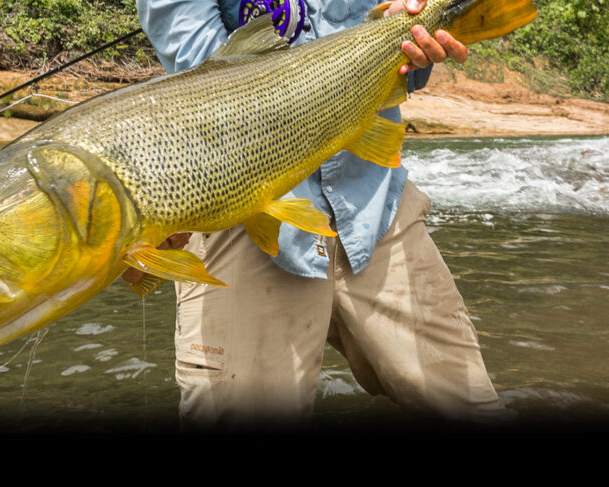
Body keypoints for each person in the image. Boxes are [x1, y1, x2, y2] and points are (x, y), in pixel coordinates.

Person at [134, 0, 510, 429]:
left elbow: (403, 50)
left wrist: (417, 37)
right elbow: (212, 87)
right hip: (248, 212)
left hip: (374, 202)